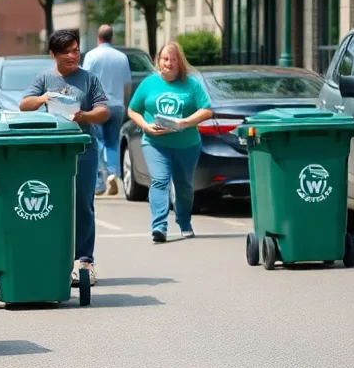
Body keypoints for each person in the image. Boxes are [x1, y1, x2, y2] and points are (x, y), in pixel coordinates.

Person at [20, 29, 110, 284]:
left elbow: (103, 111)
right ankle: (55, 257)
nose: (72, 56)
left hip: (83, 149)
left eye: (76, 50)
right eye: (66, 52)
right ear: (53, 54)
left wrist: (84, 116)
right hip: (53, 151)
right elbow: (24, 105)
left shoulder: (89, 79)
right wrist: (43, 98)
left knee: (83, 203)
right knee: (53, 203)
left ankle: (84, 261)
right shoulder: (44, 78)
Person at [126, 42, 213, 244]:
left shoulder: (191, 84)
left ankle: (184, 221)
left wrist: (185, 122)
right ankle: (159, 227)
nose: (169, 63)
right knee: (159, 180)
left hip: (186, 145)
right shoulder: (149, 83)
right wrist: (146, 127)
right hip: (155, 143)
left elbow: (207, 110)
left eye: (174, 59)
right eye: (166, 59)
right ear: (159, 60)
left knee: (184, 185)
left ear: (180, 62)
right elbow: (132, 110)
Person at [81, 25, 132, 196]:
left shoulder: (91, 56)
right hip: (117, 106)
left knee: (96, 142)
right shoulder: (122, 58)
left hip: (97, 106)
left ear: (98, 37)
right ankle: (112, 173)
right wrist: (125, 104)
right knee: (112, 142)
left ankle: (99, 184)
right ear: (112, 37)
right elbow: (127, 84)